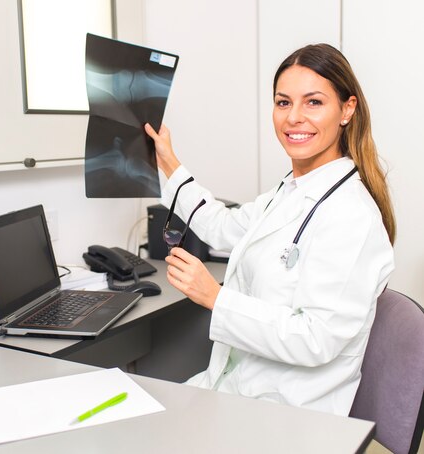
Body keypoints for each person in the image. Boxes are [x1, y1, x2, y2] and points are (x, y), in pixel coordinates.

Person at [144, 43, 395, 416]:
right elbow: (224, 226)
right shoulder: (290, 191)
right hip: (239, 389)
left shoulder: (352, 216)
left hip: (291, 414)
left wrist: (216, 298)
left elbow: (315, 339)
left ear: (347, 109)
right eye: (283, 103)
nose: (294, 117)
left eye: (313, 102)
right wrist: (169, 162)